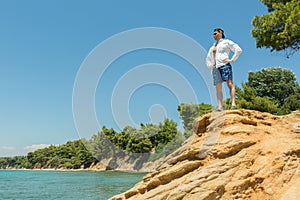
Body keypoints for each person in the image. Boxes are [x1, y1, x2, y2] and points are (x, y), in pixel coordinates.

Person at [206, 28, 242, 111]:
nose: (213, 35)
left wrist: (232, 59)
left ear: (220, 33)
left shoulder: (226, 42)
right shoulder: (213, 46)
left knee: (229, 84)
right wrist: (210, 65)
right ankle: (220, 107)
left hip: (224, 65)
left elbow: (238, 50)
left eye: (215, 33)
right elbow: (208, 57)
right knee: (218, 88)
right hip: (216, 67)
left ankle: (233, 104)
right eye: (213, 34)